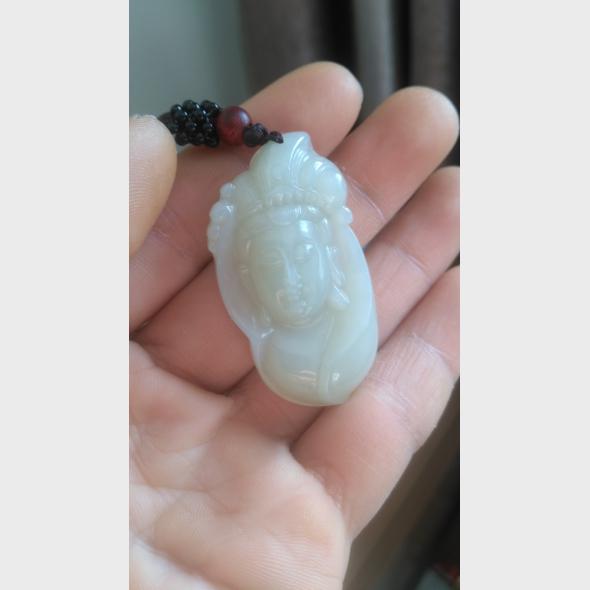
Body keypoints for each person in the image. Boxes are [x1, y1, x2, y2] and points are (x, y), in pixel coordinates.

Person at [130, 62, 460, 589]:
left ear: (332, 258)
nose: (291, 280)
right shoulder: (279, 358)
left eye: (303, 255)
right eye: (270, 264)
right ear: (246, 277)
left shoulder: (346, 341)